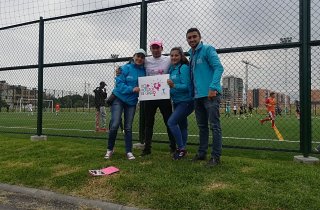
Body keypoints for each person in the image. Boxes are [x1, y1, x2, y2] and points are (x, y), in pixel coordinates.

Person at [186, 28, 224, 167]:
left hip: (210, 95)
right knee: (202, 126)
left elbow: (219, 68)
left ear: (200, 37)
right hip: (197, 96)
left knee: (214, 126)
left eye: (194, 36)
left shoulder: (208, 49)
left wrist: (213, 87)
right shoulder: (191, 55)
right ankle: (202, 153)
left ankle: (215, 157)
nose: (192, 39)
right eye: (189, 38)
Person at [104, 48, 146, 160]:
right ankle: (110, 149)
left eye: (142, 57)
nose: (139, 59)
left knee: (128, 127)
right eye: (138, 56)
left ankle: (129, 151)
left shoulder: (144, 71)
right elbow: (119, 84)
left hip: (132, 102)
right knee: (114, 124)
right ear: (133, 56)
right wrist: (132, 89)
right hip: (119, 98)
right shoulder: (124, 68)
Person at [140, 39, 176, 156]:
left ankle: (173, 147)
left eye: (158, 47)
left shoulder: (168, 59)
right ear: (150, 49)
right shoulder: (146, 60)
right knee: (148, 123)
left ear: (162, 48)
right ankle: (147, 148)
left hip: (163, 96)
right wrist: (121, 70)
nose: (156, 50)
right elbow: (134, 62)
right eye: (153, 48)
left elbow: (180, 61)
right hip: (149, 96)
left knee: (168, 121)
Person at [167, 47, 194, 160]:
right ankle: (182, 149)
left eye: (176, 55)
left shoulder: (183, 68)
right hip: (177, 101)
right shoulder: (171, 69)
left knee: (171, 122)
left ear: (181, 56)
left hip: (186, 101)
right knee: (183, 126)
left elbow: (187, 86)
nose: (174, 57)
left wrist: (174, 86)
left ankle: (181, 149)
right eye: (172, 55)